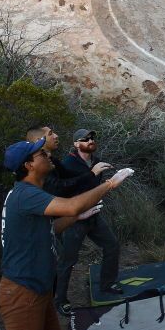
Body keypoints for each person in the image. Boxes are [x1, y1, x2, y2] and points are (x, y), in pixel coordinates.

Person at [0, 137, 133, 330]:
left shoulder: (28, 194)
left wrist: (76, 218)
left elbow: (50, 227)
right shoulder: (26, 194)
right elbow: (72, 204)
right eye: (41, 155)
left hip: (38, 289)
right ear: (28, 165)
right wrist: (108, 185)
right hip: (22, 292)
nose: (48, 156)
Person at [55, 128, 123, 316]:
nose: (91, 140)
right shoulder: (68, 164)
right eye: (86, 139)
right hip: (74, 219)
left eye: (92, 137)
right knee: (68, 260)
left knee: (112, 245)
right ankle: (60, 300)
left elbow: (94, 189)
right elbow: (65, 188)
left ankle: (107, 284)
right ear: (76, 144)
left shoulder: (97, 161)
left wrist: (112, 183)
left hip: (93, 215)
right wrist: (92, 175)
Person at [26, 125, 112, 198]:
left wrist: (106, 183)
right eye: (50, 134)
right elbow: (58, 188)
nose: (56, 136)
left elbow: (71, 177)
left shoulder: (53, 160)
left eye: (92, 138)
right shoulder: (38, 164)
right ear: (39, 140)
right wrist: (92, 173)